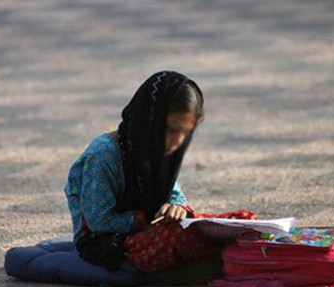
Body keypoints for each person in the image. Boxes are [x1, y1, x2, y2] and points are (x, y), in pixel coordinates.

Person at [65, 70, 219, 273]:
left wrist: (175, 208)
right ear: (149, 121)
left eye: (185, 132)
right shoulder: (103, 155)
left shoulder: (159, 151)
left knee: (225, 226)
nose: (177, 142)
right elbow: (99, 222)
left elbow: (175, 196)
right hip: (104, 242)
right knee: (176, 241)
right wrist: (145, 219)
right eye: (172, 129)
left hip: (149, 230)